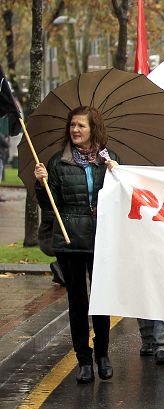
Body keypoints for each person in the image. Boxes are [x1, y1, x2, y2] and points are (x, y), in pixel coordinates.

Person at [33, 106, 119, 384]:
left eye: (81, 125)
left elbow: (123, 197)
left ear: (94, 128)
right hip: (69, 240)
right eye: (72, 125)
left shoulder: (110, 160)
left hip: (101, 238)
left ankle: (103, 355)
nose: (75, 130)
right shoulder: (57, 163)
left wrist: (118, 174)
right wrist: (41, 184)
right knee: (78, 301)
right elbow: (49, 204)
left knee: (101, 299)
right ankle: (84, 358)